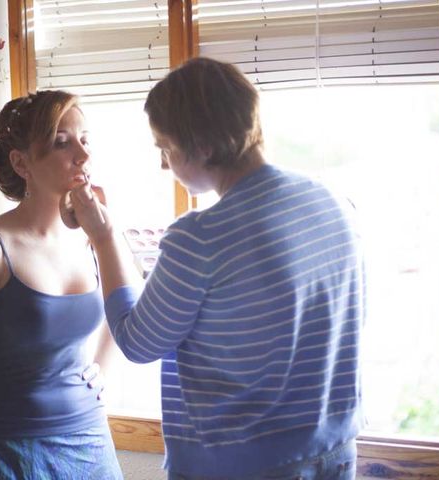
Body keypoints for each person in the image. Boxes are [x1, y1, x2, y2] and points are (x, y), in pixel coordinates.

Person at [64, 57, 365, 480]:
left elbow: (137, 342)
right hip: (336, 449)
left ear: (202, 147)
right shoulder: (333, 202)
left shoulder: (200, 236)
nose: (164, 165)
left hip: (246, 463)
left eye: (165, 148)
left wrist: (104, 237)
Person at [0, 90, 123, 480]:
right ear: (22, 163)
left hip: (91, 446)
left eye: (84, 139)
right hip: (9, 450)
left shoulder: (93, 234)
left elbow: (131, 309)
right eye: (62, 142)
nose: (83, 155)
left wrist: (102, 368)